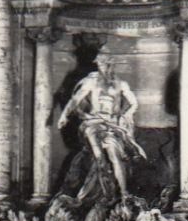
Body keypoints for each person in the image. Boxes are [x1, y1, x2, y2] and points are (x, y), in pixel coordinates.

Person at [57, 53, 145, 201]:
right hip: (93, 122)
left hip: (111, 126)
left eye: (106, 65)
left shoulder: (121, 84)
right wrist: (63, 115)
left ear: (111, 66)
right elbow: (75, 100)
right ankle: (100, 191)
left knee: (114, 155)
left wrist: (127, 114)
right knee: (98, 155)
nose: (103, 68)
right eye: (100, 65)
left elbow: (134, 103)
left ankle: (124, 193)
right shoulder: (91, 82)